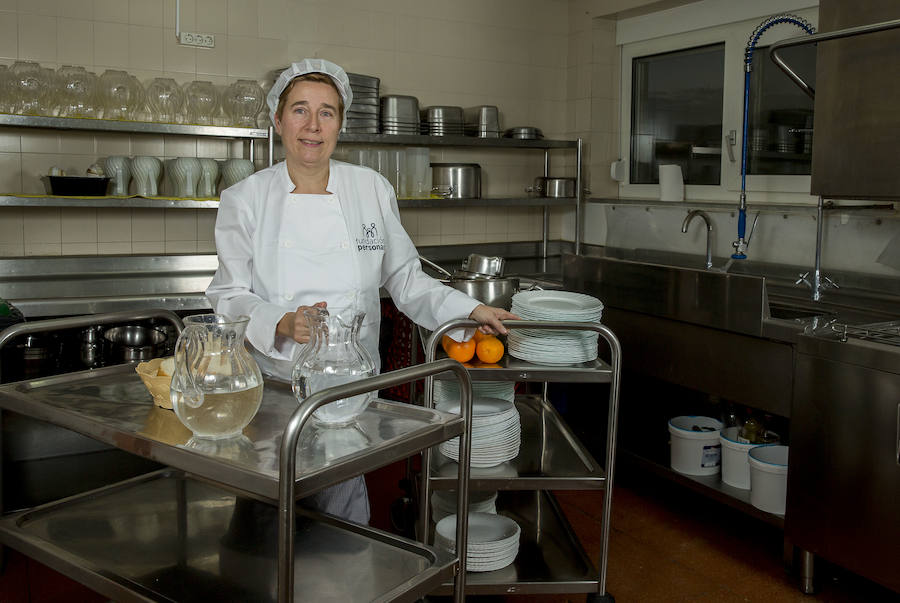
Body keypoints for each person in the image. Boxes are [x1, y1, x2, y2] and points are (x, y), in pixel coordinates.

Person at [206, 58, 518, 524]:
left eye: (326, 112)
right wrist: (282, 321)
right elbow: (227, 295)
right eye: (300, 110)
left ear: (340, 123)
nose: (313, 126)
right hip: (273, 388)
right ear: (277, 119)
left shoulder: (370, 188)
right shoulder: (245, 199)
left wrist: (470, 309)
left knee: (341, 511)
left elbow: (406, 278)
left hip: (348, 387)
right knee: (267, 512)